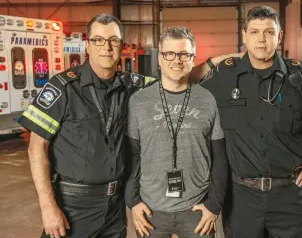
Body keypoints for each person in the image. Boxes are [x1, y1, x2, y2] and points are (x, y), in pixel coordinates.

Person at [190, 5, 302, 238]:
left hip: (291, 197)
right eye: (254, 32)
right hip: (241, 201)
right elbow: (184, 79)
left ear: (279, 36)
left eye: (268, 32)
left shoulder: (301, 75)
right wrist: (220, 59)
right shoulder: (225, 77)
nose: (262, 40)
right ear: (244, 36)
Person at [17, 14, 153, 238]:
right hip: (73, 207)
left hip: (115, 208)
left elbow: (176, 77)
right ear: (88, 45)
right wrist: (48, 207)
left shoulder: (131, 86)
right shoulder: (63, 87)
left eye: (114, 40)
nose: (106, 47)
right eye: (98, 40)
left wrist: (213, 63)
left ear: (121, 45)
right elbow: (36, 149)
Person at [125, 26, 228, 238]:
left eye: (184, 54)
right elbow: (131, 156)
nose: (177, 60)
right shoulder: (138, 101)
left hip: (197, 208)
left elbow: (219, 156)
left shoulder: (208, 99)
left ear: (192, 58)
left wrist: (214, 205)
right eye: (169, 53)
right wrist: (133, 202)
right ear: (160, 59)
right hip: (150, 210)